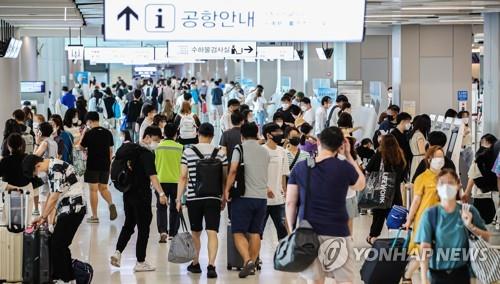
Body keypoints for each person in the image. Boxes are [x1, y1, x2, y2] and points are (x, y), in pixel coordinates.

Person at [286, 126, 366, 284]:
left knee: (315, 280)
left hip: (308, 232)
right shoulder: (344, 168)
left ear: (318, 143)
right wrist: (349, 155)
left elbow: (290, 202)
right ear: (340, 146)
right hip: (338, 231)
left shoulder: (301, 168)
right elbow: (361, 185)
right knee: (344, 280)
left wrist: (292, 231)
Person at [416, 169, 489, 284]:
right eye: (442, 183)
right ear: (437, 187)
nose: (446, 186)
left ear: (458, 185)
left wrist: (470, 226)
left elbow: (487, 237)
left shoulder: (468, 210)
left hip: (463, 273)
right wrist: (424, 280)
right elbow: (425, 248)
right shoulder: (430, 214)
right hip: (437, 274)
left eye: (450, 183)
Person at [111, 126, 167, 272]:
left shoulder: (130, 150)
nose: (155, 143)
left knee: (128, 224)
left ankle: (117, 252)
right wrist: (161, 193)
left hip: (127, 193)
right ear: (147, 137)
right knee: (143, 228)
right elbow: (152, 176)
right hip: (142, 195)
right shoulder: (146, 154)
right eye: (154, 140)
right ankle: (140, 261)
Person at [176, 123, 228, 278]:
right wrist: (224, 197)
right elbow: (224, 178)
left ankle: (195, 264)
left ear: (198, 133)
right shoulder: (220, 154)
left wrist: (179, 198)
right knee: (212, 232)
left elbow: (183, 177)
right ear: (212, 136)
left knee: (195, 233)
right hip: (213, 197)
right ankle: (211, 266)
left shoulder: (188, 152)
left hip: (194, 198)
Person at [23, 154, 86, 283]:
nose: (37, 175)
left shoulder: (55, 168)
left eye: (35, 173)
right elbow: (50, 196)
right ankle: (68, 278)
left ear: (37, 166)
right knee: (60, 245)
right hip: (69, 209)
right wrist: (43, 218)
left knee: (57, 245)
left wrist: (43, 216)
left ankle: (65, 278)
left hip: (74, 209)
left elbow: (54, 197)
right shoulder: (52, 167)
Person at [224, 122, 270, 278]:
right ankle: (251, 264)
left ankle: (248, 260)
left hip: (243, 198)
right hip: (261, 198)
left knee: (238, 232)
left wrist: (226, 189)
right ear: (257, 134)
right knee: (255, 232)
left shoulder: (239, 148)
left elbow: (233, 170)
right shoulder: (265, 151)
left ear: (241, 135)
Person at [403, 145, 446, 282]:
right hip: (424, 220)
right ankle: (415, 278)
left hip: (440, 220)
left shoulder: (445, 177)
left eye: (442, 157)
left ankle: (408, 276)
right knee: (423, 254)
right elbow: (415, 202)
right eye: (437, 157)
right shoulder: (422, 178)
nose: (440, 160)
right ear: (429, 159)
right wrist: (409, 220)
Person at [365, 135, 406, 244]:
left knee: (378, 215)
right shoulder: (400, 156)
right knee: (395, 215)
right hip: (395, 192)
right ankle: (395, 237)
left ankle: (373, 236)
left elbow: (368, 169)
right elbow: (402, 176)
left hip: (381, 190)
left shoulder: (379, 155)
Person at [79, 111, 117, 223]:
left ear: (90, 122)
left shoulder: (89, 133)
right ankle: (111, 203)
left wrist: (84, 133)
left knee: (93, 190)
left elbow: (81, 147)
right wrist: (109, 164)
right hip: (105, 164)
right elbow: (111, 151)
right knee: (104, 188)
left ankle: (95, 216)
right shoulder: (107, 133)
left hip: (93, 164)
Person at [154, 123, 183, 243]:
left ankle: (163, 231)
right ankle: (173, 233)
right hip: (176, 181)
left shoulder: (158, 147)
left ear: (164, 134)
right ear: (176, 134)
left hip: (161, 181)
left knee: (161, 207)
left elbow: (154, 164)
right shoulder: (180, 147)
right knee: (175, 206)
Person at [261, 123, 289, 240]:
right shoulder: (261, 151)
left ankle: (283, 256)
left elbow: (283, 174)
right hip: (262, 198)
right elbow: (258, 173)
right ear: (268, 135)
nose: (280, 134)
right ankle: (256, 257)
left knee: (282, 229)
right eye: (277, 132)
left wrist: (285, 191)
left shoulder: (282, 151)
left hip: (278, 198)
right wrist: (265, 188)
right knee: (258, 230)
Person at [462, 134, 498, 224]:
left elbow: (473, 175)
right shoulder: (495, 155)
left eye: (484, 142)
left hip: (483, 195)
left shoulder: (481, 156)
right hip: (492, 195)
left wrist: (466, 192)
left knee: (480, 222)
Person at [0, 134, 35, 216]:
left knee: (11, 222)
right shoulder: (28, 159)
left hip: (10, 194)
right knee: (25, 220)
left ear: (8, 146)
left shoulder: (4, 161)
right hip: (27, 193)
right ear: (22, 145)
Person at [409, 114, 431, 181]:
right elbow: (422, 151)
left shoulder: (414, 133)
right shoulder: (419, 135)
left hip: (415, 160)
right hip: (420, 160)